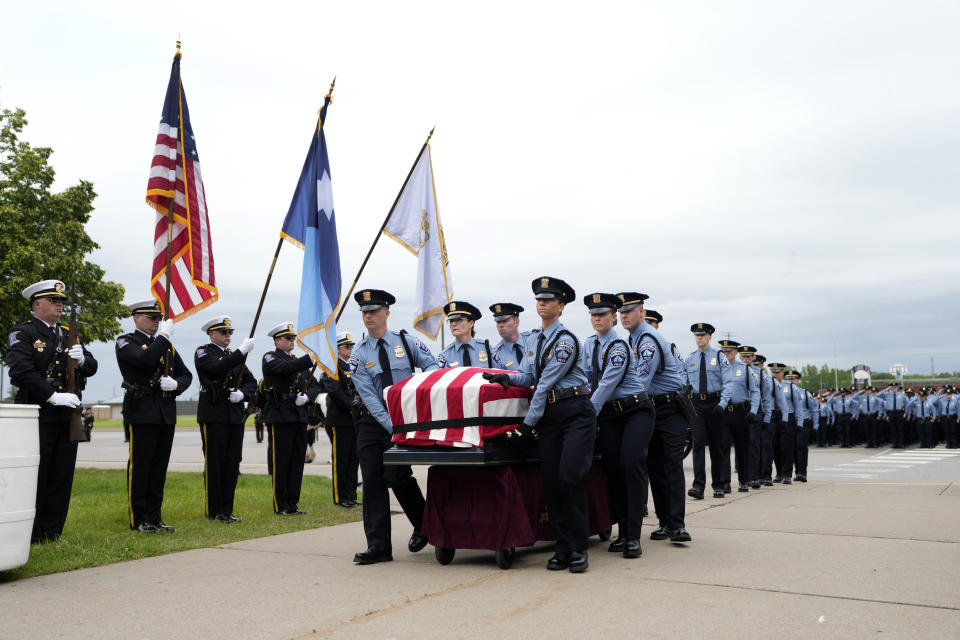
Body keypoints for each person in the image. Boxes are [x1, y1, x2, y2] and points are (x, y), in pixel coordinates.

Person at [485, 277, 595, 572]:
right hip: (550, 417)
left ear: (561, 306)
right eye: (539, 299)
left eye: (549, 299)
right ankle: (562, 547)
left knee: (570, 477)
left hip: (574, 412)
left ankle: (578, 548)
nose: (542, 303)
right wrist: (505, 378)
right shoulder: (533, 340)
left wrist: (526, 423)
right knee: (552, 481)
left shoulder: (567, 340)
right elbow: (528, 376)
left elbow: (545, 384)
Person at [349, 289, 438, 565]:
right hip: (373, 423)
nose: (368, 317)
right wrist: (392, 427)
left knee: (398, 476)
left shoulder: (407, 342)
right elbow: (370, 399)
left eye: (373, 311)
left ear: (386, 312)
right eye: (364, 312)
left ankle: (424, 525)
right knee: (374, 482)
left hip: (404, 419)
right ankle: (378, 546)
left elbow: (433, 367)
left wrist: (421, 397)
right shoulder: (359, 354)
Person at [7, 279, 98, 543]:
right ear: (37, 304)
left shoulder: (69, 332)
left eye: (61, 302)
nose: (59, 306)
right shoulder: (23, 333)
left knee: (62, 474)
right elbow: (21, 371)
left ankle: (53, 531)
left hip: (67, 414)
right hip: (38, 413)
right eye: (54, 301)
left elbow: (91, 367)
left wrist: (82, 359)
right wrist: (51, 396)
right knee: (39, 474)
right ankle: (32, 533)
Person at [582, 292, 651, 559]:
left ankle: (633, 536)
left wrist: (587, 415)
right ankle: (623, 532)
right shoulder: (589, 345)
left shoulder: (618, 346)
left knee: (630, 466)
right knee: (614, 472)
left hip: (635, 412)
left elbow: (608, 383)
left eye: (603, 314)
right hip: (610, 415)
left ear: (613, 317)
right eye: (593, 315)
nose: (597, 319)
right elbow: (588, 380)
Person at [619, 292, 692, 543]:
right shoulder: (633, 340)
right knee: (655, 466)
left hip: (669, 409)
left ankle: (677, 524)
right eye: (621, 312)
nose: (624, 316)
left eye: (629, 311)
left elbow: (640, 381)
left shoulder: (648, 340)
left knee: (670, 465)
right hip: (652, 407)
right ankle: (665, 523)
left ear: (641, 312)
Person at [115, 298, 192, 533]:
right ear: (137, 317)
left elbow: (186, 375)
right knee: (141, 467)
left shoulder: (166, 345)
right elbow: (144, 359)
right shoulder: (125, 341)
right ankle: (139, 518)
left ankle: (155, 517)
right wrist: (164, 337)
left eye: (159, 318)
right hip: (142, 411)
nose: (156, 322)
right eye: (152, 318)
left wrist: (175, 385)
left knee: (159, 468)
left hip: (165, 412)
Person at [194, 315, 257, 523]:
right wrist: (241, 351)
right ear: (212, 334)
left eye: (230, 332)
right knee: (215, 462)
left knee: (232, 462)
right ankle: (214, 510)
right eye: (224, 332)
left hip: (234, 416)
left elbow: (251, 382)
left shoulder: (234, 356)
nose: (228, 335)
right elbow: (216, 369)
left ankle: (226, 510)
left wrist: (243, 395)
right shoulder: (203, 352)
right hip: (213, 414)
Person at [261, 322, 321, 515]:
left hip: (298, 415)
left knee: (296, 461)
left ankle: (293, 503)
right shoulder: (270, 357)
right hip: (280, 415)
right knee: (282, 462)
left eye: (293, 338)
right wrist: (309, 358)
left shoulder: (297, 361)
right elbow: (286, 369)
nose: (292, 341)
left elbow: (314, 385)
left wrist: (308, 397)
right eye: (288, 338)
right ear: (277, 341)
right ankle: (281, 505)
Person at [320, 331, 361, 508]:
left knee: (353, 459)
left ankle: (351, 494)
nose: (351, 349)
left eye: (351, 346)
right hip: (340, 419)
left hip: (353, 420)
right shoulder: (332, 366)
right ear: (337, 349)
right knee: (341, 459)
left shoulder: (352, 365)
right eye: (347, 346)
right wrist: (353, 405)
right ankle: (341, 496)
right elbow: (335, 391)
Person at [684, 323, 725, 500]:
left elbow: (729, 382)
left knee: (717, 446)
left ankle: (718, 485)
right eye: (696, 335)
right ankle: (698, 486)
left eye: (702, 335)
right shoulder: (690, 358)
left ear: (709, 336)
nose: (699, 338)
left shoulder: (719, 356)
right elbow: (684, 382)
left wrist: (722, 403)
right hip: (696, 404)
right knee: (698, 443)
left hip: (715, 402)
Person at [715, 342, 759, 494]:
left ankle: (743, 480)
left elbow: (755, 391)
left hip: (741, 412)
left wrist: (753, 410)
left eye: (729, 352)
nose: (726, 354)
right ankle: (725, 481)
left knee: (742, 447)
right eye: (724, 352)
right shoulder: (717, 370)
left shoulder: (745, 370)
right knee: (723, 447)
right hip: (724, 412)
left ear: (735, 352)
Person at [437, 301, 491, 367]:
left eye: (459, 320)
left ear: (471, 323)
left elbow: (502, 373)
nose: (453, 324)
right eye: (451, 321)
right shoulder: (445, 356)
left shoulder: (487, 348)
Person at [488, 302, 538, 372]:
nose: (501, 325)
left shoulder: (533, 339)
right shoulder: (497, 355)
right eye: (498, 322)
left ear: (516, 322)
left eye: (504, 321)